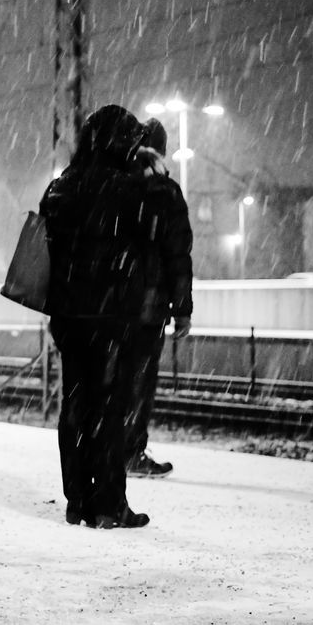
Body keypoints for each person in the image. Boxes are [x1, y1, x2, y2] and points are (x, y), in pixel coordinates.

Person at [39, 104, 162, 530]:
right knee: (109, 409)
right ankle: (109, 505)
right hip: (113, 317)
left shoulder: (61, 187)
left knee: (74, 405)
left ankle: (77, 502)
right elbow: (153, 238)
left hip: (69, 317)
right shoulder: (131, 189)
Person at [125, 118, 194, 478]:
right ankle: (131, 452)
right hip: (148, 306)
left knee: (109, 381)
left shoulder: (115, 184)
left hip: (109, 304)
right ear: (162, 152)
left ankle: (101, 450)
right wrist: (182, 309)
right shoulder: (165, 191)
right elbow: (178, 255)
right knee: (139, 381)